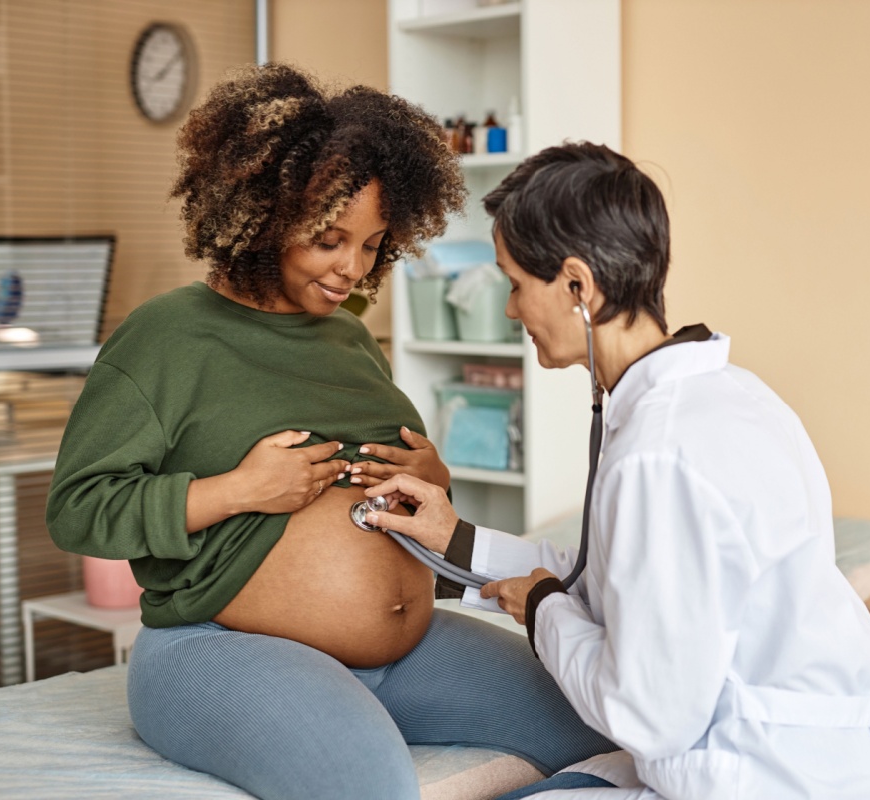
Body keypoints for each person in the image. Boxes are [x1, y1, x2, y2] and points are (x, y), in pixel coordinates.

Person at [46, 64, 614, 800]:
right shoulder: (166, 337)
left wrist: (433, 480)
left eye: (374, 244)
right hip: (222, 646)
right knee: (371, 784)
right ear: (262, 215)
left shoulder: (344, 339)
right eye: (328, 239)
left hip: (407, 650)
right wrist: (235, 491)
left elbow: (385, 494)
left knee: (605, 728)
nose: (353, 268)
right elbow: (78, 508)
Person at [363, 142, 870, 799]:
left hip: (765, 775)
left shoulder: (661, 452)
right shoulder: (728, 396)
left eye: (514, 284)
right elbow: (613, 575)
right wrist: (457, 539)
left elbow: (650, 717)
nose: (510, 311)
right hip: (781, 754)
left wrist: (543, 612)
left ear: (577, 286)